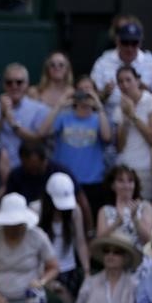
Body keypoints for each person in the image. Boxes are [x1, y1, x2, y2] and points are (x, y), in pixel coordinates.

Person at [38, 75, 111, 219]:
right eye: (81, 90)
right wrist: (60, 105)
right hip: (64, 182)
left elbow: (107, 136)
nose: (84, 93)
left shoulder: (99, 118)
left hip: (92, 181)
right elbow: (42, 132)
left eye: (88, 90)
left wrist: (98, 104)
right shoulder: (64, 117)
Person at [0, 193, 59, 303]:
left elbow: (53, 267)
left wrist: (42, 282)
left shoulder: (38, 236)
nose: (14, 228)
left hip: (29, 299)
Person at [5, 140, 93, 235]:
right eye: (30, 168)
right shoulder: (16, 175)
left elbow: (81, 199)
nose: (33, 171)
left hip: (57, 221)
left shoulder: (61, 173)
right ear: (22, 160)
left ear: (44, 160)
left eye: (36, 168)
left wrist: (89, 231)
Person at [35, 173, 90, 303]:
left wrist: (87, 272)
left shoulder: (75, 211)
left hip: (69, 270)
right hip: (43, 271)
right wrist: (43, 278)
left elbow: (80, 243)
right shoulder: (35, 210)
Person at [0, 63, 49, 168]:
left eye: (19, 82)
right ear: (3, 85)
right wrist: (2, 116)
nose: (14, 86)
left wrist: (13, 123)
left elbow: (38, 140)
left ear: (27, 84)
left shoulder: (40, 109)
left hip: (29, 168)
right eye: (9, 82)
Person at [90, 18, 152, 121]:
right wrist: (104, 94)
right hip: (109, 121)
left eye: (134, 43)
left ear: (140, 43)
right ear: (117, 41)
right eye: (125, 42)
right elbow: (91, 98)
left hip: (144, 120)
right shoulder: (103, 62)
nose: (129, 48)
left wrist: (146, 93)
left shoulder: (150, 62)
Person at [112, 66, 152, 200]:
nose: (125, 85)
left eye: (128, 80)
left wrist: (133, 115)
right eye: (121, 81)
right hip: (124, 167)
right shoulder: (119, 108)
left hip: (144, 169)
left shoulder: (150, 101)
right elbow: (120, 146)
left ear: (138, 81)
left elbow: (151, 138)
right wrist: (125, 118)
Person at [95, 165, 152, 255]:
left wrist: (135, 219)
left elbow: (148, 241)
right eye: (120, 180)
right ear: (113, 185)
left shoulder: (145, 207)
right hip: (114, 260)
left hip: (141, 262)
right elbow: (99, 241)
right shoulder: (104, 210)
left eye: (130, 181)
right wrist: (117, 222)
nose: (126, 185)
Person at [76, 231, 140, 303]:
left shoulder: (134, 285)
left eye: (116, 252)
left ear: (125, 258)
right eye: (107, 251)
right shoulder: (89, 283)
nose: (110, 255)